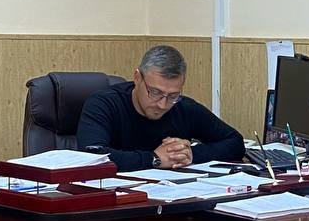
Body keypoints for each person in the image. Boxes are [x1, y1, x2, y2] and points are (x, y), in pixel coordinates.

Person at [77, 44, 244, 174]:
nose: (163, 104)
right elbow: (92, 156)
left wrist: (190, 154)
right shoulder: (104, 104)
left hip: (174, 198)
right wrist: (154, 158)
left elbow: (235, 142)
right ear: (137, 78)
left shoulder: (183, 107)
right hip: (118, 198)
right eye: (155, 92)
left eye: (172, 95)